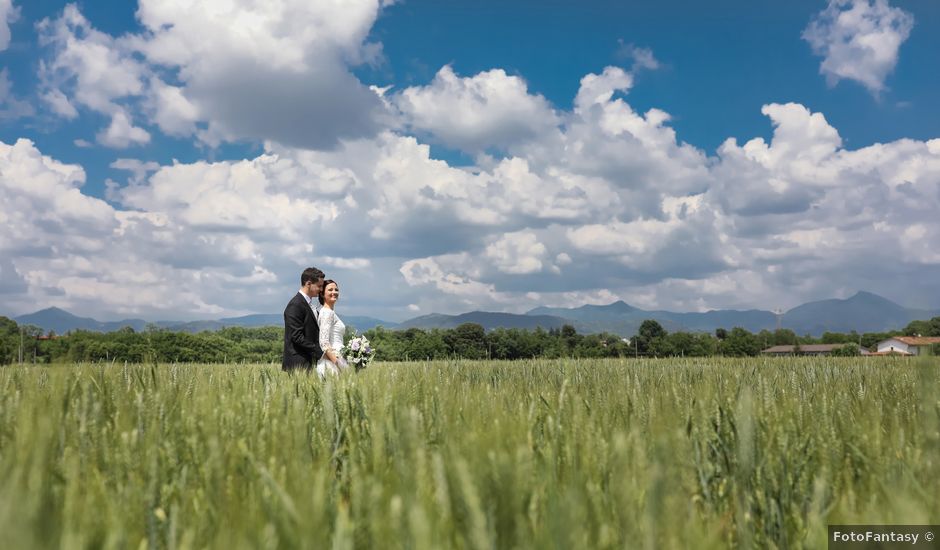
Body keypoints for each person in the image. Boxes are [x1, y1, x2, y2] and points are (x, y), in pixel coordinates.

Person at [282, 267, 325, 372]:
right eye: (319, 286)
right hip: (299, 362)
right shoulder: (295, 305)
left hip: (308, 360)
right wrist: (321, 353)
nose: (321, 289)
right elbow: (297, 337)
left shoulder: (307, 304)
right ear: (309, 283)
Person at [316, 279, 349, 377]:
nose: (334, 292)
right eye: (330, 290)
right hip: (332, 363)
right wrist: (339, 364)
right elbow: (324, 343)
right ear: (322, 294)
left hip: (336, 359)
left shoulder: (329, 312)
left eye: (336, 289)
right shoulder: (327, 313)